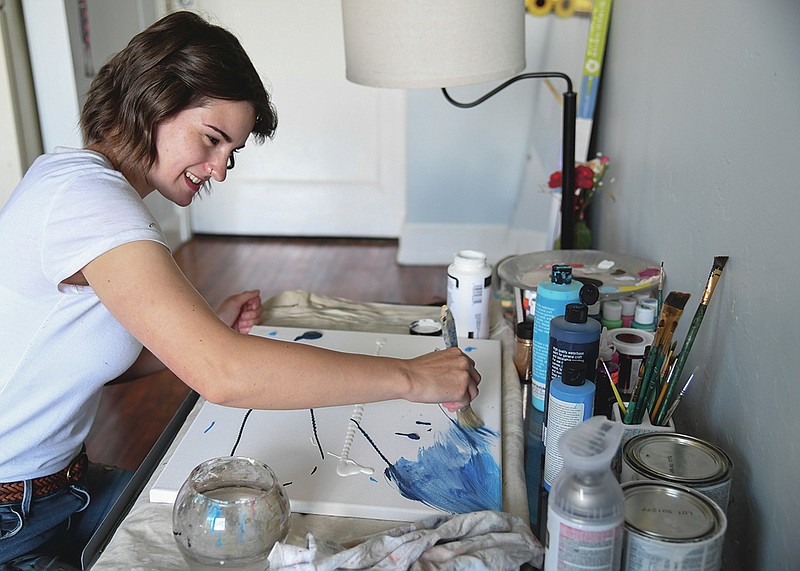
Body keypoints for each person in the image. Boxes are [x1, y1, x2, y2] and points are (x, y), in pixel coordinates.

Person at [0, 11, 480, 565]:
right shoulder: (89, 200)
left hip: (64, 489)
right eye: (211, 139)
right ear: (152, 102)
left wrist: (199, 331)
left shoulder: (85, 187)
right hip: (14, 516)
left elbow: (82, 361)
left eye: (232, 151)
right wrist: (410, 377)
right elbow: (224, 375)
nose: (220, 169)